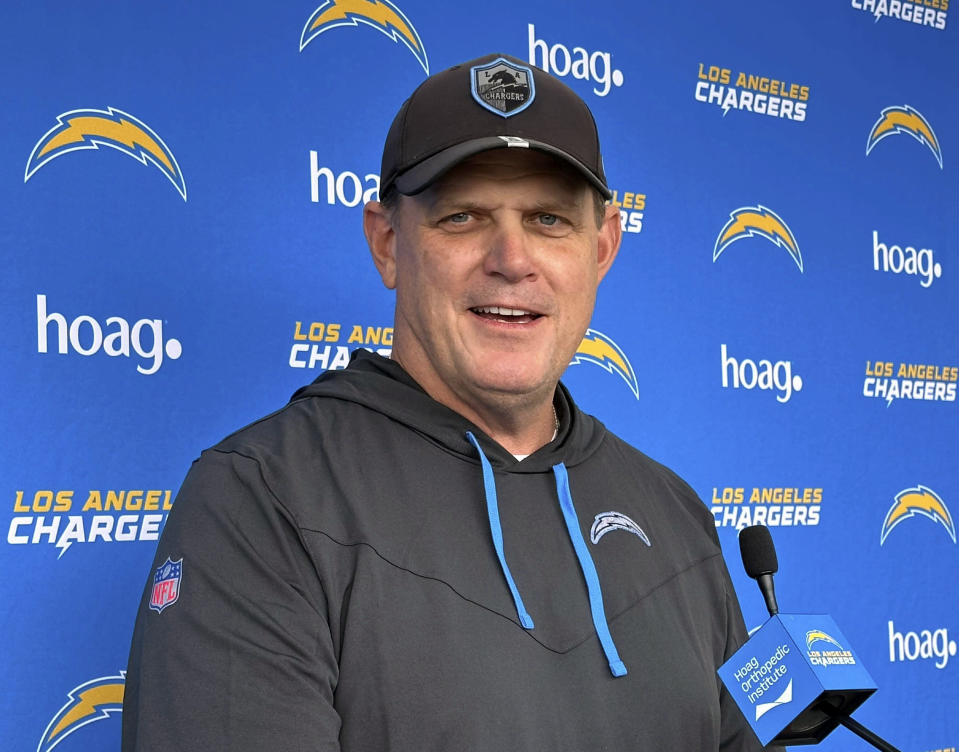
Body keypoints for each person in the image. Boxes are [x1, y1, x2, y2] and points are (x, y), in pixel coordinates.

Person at [123, 53, 773, 751]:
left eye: (549, 220)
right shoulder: (264, 497)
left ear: (602, 248)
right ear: (387, 243)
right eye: (462, 217)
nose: (511, 258)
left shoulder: (673, 513)